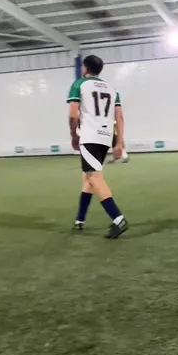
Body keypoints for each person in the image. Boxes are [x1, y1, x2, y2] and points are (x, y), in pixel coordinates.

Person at [67, 55, 129, 239]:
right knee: (89, 176)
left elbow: (73, 115)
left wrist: (73, 135)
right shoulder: (111, 89)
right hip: (105, 137)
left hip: (89, 136)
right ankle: (80, 219)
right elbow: (120, 117)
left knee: (94, 177)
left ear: (85, 68)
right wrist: (119, 142)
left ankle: (118, 219)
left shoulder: (79, 84)